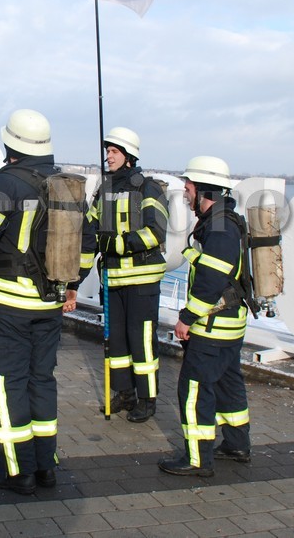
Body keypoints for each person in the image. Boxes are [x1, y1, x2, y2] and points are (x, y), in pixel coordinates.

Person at [0, 109, 92, 495]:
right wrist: (71, 284)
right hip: (49, 305)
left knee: (5, 383)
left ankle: (17, 471)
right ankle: (45, 466)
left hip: (9, 305)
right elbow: (87, 245)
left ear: (10, 143)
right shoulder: (67, 185)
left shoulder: (2, 185)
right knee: (41, 381)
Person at [158, 156, 251, 477]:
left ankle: (197, 459)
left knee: (194, 389)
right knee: (228, 384)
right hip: (230, 326)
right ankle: (237, 443)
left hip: (212, 327)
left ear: (204, 189)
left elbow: (211, 281)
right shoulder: (227, 220)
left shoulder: (220, 227)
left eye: (188, 188)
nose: (185, 195)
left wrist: (186, 317)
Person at [89, 127, 168, 422]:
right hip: (112, 279)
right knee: (117, 341)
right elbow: (90, 226)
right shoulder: (105, 190)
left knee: (141, 339)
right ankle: (124, 393)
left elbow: (154, 232)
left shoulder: (148, 188)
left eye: (114, 152)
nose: (108, 157)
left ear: (129, 157)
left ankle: (147, 399)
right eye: (107, 151)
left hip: (142, 280)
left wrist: (115, 244)